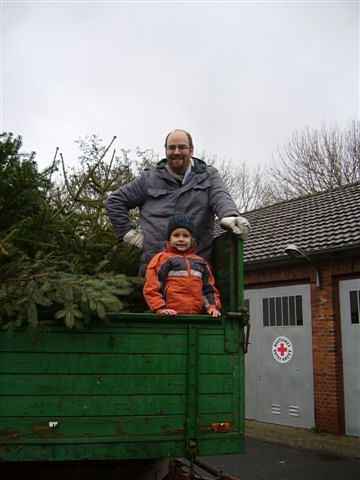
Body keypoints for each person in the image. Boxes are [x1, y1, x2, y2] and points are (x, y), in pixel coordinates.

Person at [106, 129, 250, 274]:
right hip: (155, 268)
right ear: (165, 150)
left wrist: (230, 215)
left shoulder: (208, 176)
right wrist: (130, 235)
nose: (176, 152)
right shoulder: (149, 178)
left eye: (182, 147)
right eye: (171, 148)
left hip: (195, 270)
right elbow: (115, 201)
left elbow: (220, 196)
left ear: (191, 150)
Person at [143, 214, 221, 316]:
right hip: (169, 315)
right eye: (176, 235)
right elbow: (152, 287)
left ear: (192, 239)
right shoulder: (162, 259)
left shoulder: (201, 262)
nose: (181, 239)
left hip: (195, 316)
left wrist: (212, 307)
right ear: (169, 239)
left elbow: (208, 288)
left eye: (185, 236)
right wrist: (160, 308)